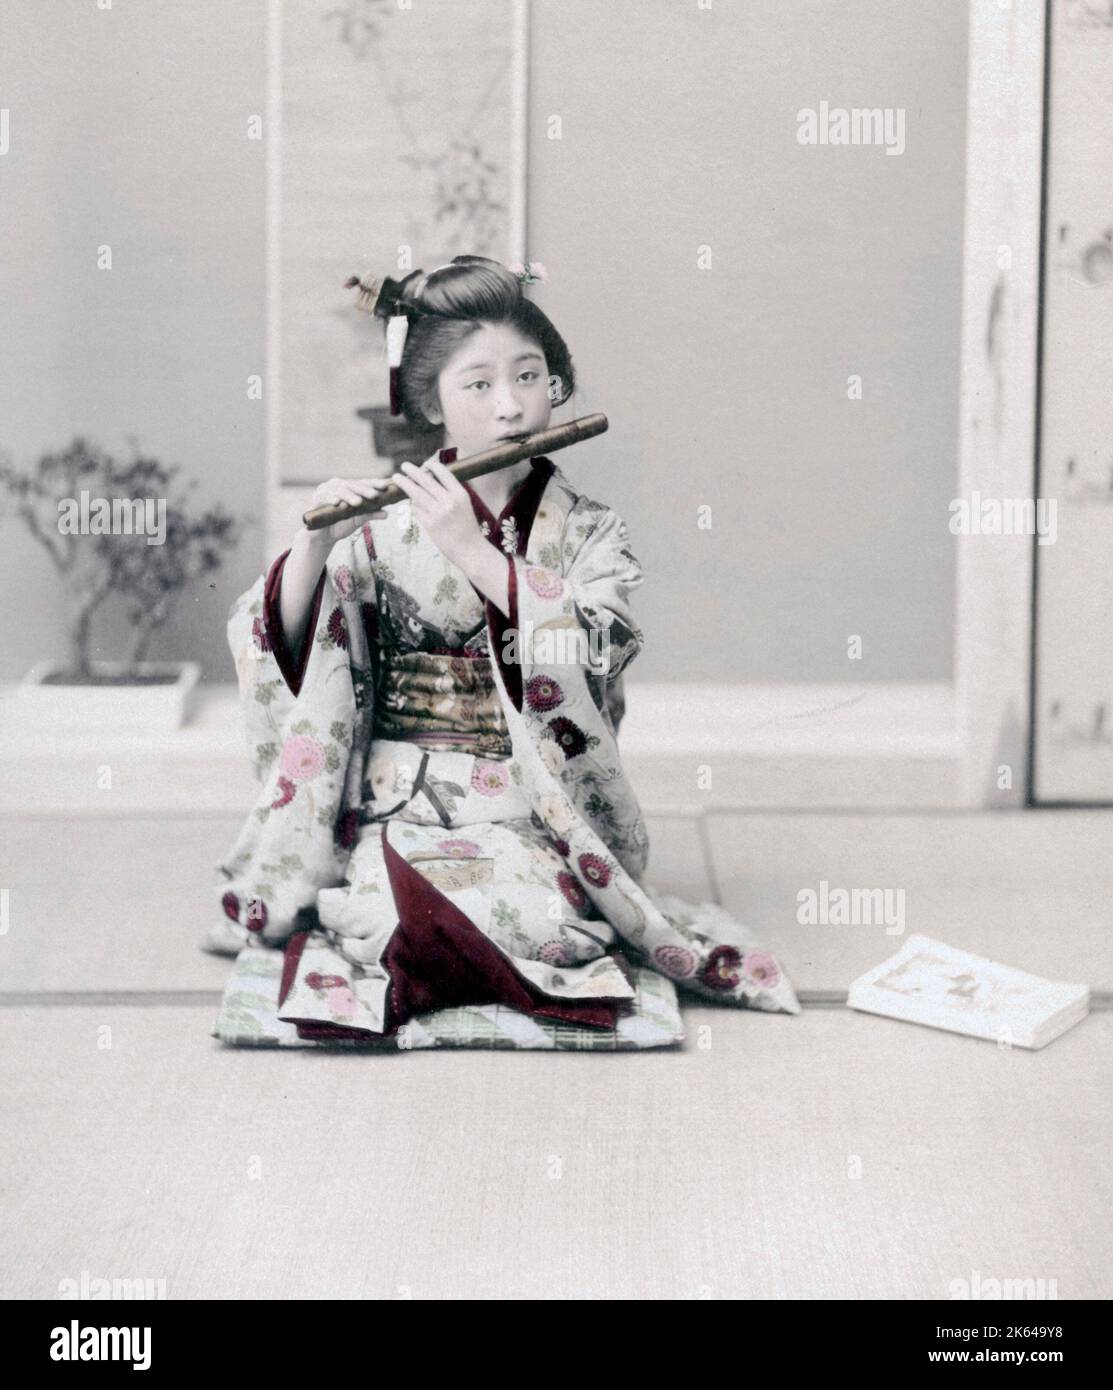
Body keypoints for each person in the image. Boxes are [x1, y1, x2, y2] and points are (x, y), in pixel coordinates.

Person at [206, 256, 799, 1041]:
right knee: (391, 926)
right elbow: (285, 651)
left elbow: (595, 654)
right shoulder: (384, 525)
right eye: (478, 384)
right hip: (399, 800)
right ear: (430, 401)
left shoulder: (589, 533)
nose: (511, 404)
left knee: (534, 926)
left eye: (529, 376)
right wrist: (313, 550)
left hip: (528, 804)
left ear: (556, 385)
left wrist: (478, 556)